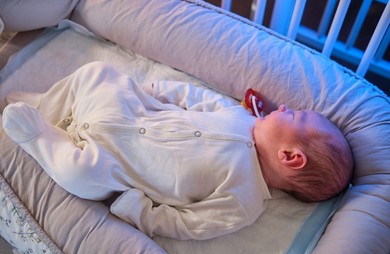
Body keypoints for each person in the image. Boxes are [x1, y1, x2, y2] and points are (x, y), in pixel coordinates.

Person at [1, 62, 353, 240]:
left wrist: (136, 210)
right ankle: (48, 106)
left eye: (294, 116)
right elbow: (193, 97)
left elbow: (187, 225)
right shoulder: (240, 116)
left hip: (113, 163)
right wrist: (153, 92)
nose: (284, 107)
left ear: (290, 156)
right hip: (130, 110)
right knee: (98, 72)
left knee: (80, 176)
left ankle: (40, 138)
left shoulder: (243, 202)